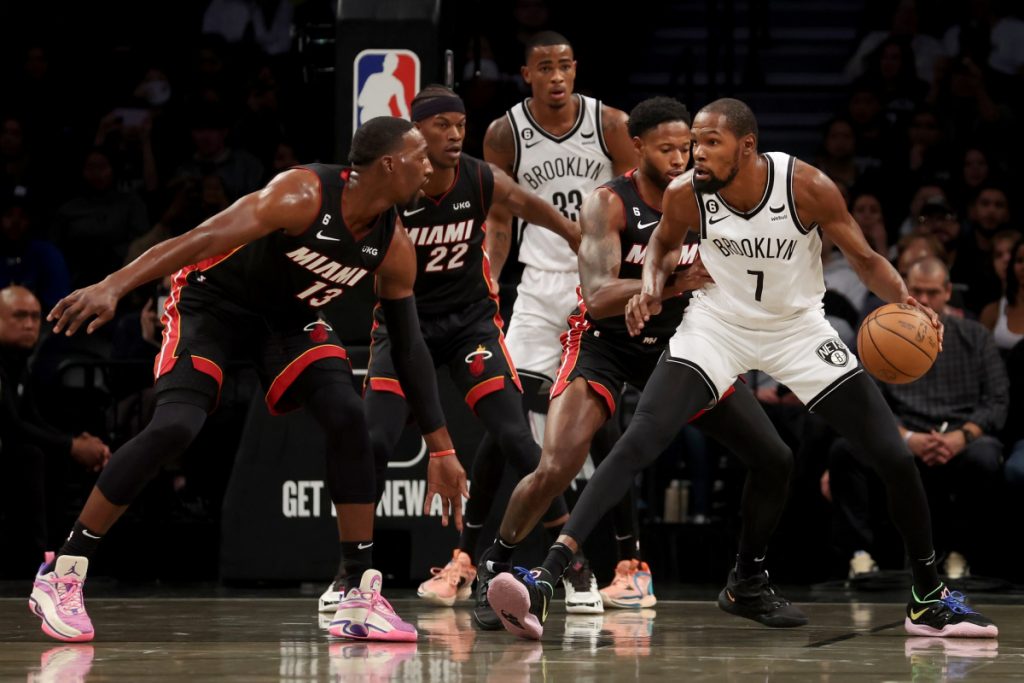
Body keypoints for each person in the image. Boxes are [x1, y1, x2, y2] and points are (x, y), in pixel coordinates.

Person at [488, 98, 998, 640]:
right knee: (639, 439)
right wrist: (652, 290)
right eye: (693, 143)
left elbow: (866, 257)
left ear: (747, 146)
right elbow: (660, 247)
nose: (695, 155)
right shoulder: (688, 195)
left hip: (798, 330)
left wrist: (907, 302)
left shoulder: (806, 186)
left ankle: (926, 597)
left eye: (709, 143)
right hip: (717, 327)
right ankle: (547, 578)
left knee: (893, 455)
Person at [30, 117, 468, 643]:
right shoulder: (302, 194)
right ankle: (65, 570)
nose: (432, 165)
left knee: (348, 416)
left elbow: (409, 346)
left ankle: (357, 591)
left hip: (288, 321)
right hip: (213, 307)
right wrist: (114, 285)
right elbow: (201, 237)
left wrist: (441, 449)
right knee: (176, 426)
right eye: (421, 155)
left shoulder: (394, 245)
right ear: (390, 163)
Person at [477, 96, 805, 619]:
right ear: (637, 147)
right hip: (604, 347)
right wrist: (671, 284)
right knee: (556, 466)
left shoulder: (707, 199)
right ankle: (495, 565)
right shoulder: (607, 203)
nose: (681, 158)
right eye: (668, 148)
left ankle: (747, 579)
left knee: (774, 456)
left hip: (682, 346)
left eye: (689, 147)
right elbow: (599, 292)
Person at [320, 85, 574, 613]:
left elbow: (530, 205)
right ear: (416, 134)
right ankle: (351, 572)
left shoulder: (478, 178)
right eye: (443, 126)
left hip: (468, 326)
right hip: (402, 324)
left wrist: (577, 235)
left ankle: (571, 563)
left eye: (461, 124)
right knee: (374, 440)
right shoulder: (395, 190)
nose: (456, 134)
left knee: (516, 437)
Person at [476, 29, 636, 619]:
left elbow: (635, 202)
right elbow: (498, 219)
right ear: (527, 73)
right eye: (545, 67)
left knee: (604, 425)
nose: (557, 76)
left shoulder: (610, 123)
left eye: (565, 65)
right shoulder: (504, 132)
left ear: (576, 68)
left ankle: (628, 564)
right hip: (539, 290)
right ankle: (484, 561)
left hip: (597, 288)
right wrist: (488, 281)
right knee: (509, 418)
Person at [828, 257, 1007, 582]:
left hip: (958, 436)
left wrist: (961, 436)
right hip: (901, 432)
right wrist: (907, 437)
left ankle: (960, 555)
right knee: (845, 451)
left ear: (948, 292)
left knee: (985, 455)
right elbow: (868, 402)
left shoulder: (975, 336)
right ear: (905, 291)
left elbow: (996, 402)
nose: (924, 300)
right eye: (917, 291)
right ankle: (861, 556)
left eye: (933, 292)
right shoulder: (882, 332)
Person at [0, 286, 110, 578]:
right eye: (19, 316)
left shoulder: (17, 363)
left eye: (35, 316)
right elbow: (11, 426)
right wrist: (70, 445)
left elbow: (32, 418)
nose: (29, 324)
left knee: (55, 455)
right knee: (30, 455)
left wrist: (76, 443)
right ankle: (29, 561)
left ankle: (64, 552)